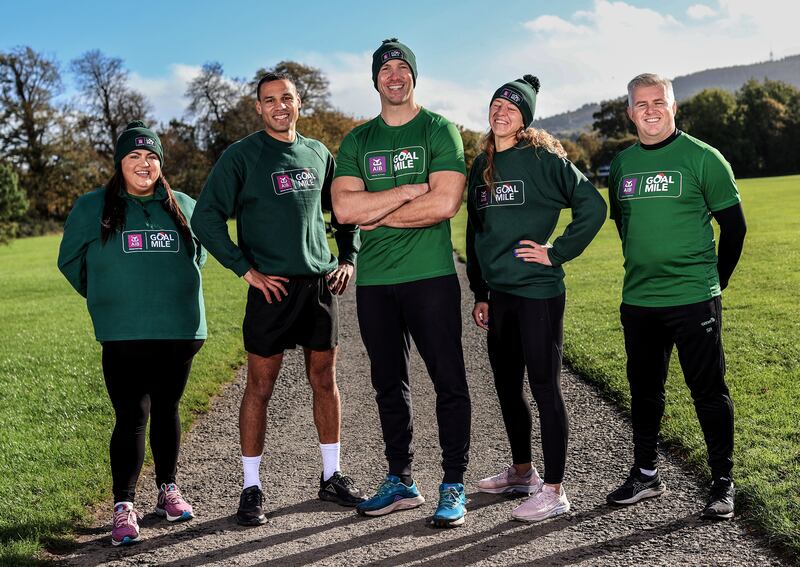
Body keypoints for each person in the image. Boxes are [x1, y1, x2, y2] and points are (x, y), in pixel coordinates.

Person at [191, 72, 364, 527]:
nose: (279, 106)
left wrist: (347, 256)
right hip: (272, 290)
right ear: (259, 108)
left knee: (324, 380)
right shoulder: (241, 156)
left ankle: (331, 476)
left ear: (299, 102)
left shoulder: (318, 153)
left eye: (286, 98)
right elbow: (206, 218)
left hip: (319, 287)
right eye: (269, 100)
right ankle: (251, 488)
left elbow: (346, 209)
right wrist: (244, 269)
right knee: (260, 388)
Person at [332, 38, 471, 528]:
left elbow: (446, 203)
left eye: (402, 67)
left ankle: (453, 483)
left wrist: (380, 209)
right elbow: (346, 210)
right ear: (375, 79)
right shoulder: (356, 141)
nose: (394, 75)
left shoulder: (439, 129)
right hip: (376, 285)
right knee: (388, 384)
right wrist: (412, 190)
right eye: (385, 68)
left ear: (414, 75)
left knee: (448, 381)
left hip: (430, 277)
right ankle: (401, 480)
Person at [606, 73, 747, 520]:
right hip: (640, 300)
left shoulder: (703, 158)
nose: (650, 109)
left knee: (707, 390)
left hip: (692, 298)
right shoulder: (623, 164)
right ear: (630, 112)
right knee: (644, 391)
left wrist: (714, 282)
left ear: (673, 105)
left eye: (658, 101)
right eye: (641, 103)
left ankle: (723, 482)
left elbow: (736, 227)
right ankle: (646, 474)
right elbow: (622, 223)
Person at [57, 121, 206, 546]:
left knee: (168, 409)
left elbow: (200, 257)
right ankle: (123, 506)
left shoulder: (184, 205)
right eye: (134, 156)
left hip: (179, 330)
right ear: (119, 163)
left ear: (161, 162)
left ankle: (167, 490)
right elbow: (71, 262)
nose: (145, 163)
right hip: (123, 333)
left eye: (152, 156)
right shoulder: (93, 207)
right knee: (131, 415)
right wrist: (107, 296)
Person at [466, 76, 606, 522]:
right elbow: (476, 232)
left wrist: (557, 251)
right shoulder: (480, 164)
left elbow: (592, 205)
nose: (501, 112)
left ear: (525, 117)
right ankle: (523, 473)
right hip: (500, 297)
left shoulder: (544, 158)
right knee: (507, 387)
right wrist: (481, 291)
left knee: (544, 388)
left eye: (512, 107)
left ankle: (554, 490)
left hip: (538, 295)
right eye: (496, 104)